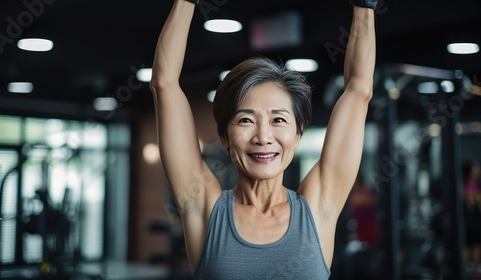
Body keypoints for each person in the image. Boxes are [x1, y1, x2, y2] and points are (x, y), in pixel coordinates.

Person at [149, 0, 377, 278]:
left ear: (297, 134)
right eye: (246, 120)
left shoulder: (319, 206)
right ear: (224, 136)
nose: (263, 137)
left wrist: (365, 6)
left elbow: (358, 90)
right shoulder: (204, 208)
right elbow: (164, 83)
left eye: (278, 120)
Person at [462, 160, 481, 274]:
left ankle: (464, 273)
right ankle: (475, 274)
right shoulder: (476, 187)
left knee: (467, 246)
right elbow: (480, 205)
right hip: (475, 221)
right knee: (476, 246)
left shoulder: (463, 185)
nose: (479, 169)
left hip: (465, 221)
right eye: (476, 167)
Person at [348, 173, 378, 247]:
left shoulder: (367, 192)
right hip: (360, 228)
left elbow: (372, 201)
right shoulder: (352, 195)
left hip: (370, 226)